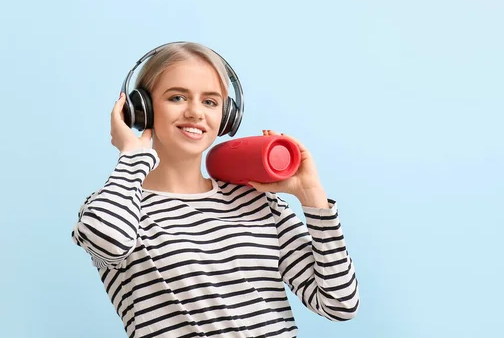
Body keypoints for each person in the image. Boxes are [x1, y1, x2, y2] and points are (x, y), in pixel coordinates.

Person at [71, 41, 360, 338]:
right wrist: (132, 157)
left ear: (227, 115)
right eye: (177, 97)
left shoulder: (256, 200)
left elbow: (339, 303)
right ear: (142, 108)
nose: (196, 112)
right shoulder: (115, 205)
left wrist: (312, 196)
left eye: (210, 102)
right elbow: (109, 240)